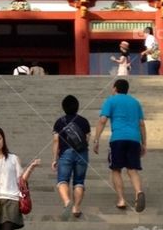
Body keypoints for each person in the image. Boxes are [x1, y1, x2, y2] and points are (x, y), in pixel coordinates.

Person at [92, 78, 147, 212]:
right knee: (132, 169)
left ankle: (121, 199)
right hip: (134, 139)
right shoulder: (135, 103)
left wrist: (96, 139)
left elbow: (102, 120)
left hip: (118, 139)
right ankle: (138, 192)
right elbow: (141, 124)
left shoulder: (111, 100)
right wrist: (144, 143)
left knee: (116, 169)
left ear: (115, 88)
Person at [51, 94, 90, 220]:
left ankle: (67, 202)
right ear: (77, 107)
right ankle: (76, 208)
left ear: (63, 107)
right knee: (79, 182)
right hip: (82, 153)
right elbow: (87, 138)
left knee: (62, 180)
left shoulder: (59, 122)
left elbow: (56, 141)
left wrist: (54, 159)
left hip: (65, 153)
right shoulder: (84, 121)